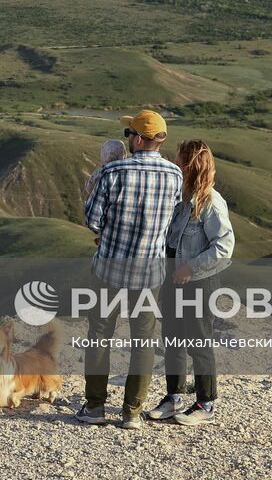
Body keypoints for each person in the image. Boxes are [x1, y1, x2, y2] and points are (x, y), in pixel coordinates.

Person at [76, 109, 182, 430]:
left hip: (109, 267)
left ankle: (94, 407)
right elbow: (175, 226)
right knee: (143, 339)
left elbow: (91, 219)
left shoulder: (113, 172)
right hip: (149, 272)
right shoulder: (175, 175)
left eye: (129, 135)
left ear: (136, 139)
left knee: (99, 334)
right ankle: (132, 412)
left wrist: (106, 234)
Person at [145, 139, 235, 426]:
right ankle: (174, 397)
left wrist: (190, 267)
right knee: (172, 339)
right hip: (172, 278)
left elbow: (224, 246)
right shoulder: (181, 197)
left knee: (199, 342)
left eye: (180, 159)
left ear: (191, 165)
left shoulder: (211, 202)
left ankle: (206, 404)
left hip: (198, 282)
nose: (176, 162)